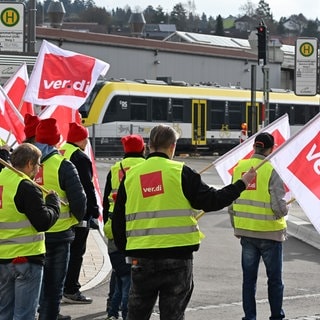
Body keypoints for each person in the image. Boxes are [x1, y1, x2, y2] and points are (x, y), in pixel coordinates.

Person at [111, 124, 256, 320]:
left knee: (137, 314)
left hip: (141, 258)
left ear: (149, 145)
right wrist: (242, 183)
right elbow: (212, 201)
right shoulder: (181, 172)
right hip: (178, 258)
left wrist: (127, 251)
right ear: (173, 146)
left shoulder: (131, 176)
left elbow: (118, 221)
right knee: (173, 315)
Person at [229, 132, 288, 320]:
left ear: (254, 147)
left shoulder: (239, 168)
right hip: (271, 233)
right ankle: (276, 316)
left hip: (246, 233)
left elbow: (232, 203)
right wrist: (286, 209)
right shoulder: (272, 169)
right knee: (275, 280)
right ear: (271, 149)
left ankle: (250, 317)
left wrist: (237, 227)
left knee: (249, 280)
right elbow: (278, 207)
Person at [0, 143, 60, 320]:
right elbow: (43, 222)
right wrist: (53, 203)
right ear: (29, 164)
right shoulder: (26, 186)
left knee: (4, 312)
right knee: (24, 315)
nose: (38, 171)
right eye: (38, 165)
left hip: (3, 259)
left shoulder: (2, 179)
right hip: (26, 258)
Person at [34, 118, 87, 320]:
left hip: (32, 235)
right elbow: (79, 201)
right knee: (54, 285)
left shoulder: (24, 163)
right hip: (59, 235)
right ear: (57, 141)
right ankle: (50, 316)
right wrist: (75, 218)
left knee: (33, 286)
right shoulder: (64, 166)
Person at [103, 134, 145, 320]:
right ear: (143, 149)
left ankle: (112, 311)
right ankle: (127, 313)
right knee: (131, 276)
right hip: (136, 226)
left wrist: (107, 222)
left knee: (119, 272)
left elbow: (105, 201)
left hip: (114, 226)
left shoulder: (114, 169)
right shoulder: (145, 168)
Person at [59, 122, 100, 304]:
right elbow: (87, 187)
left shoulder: (60, 151)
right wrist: (94, 211)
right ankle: (71, 290)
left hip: (59, 213)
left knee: (62, 254)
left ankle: (60, 289)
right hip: (78, 213)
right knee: (77, 253)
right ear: (81, 139)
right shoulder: (80, 157)